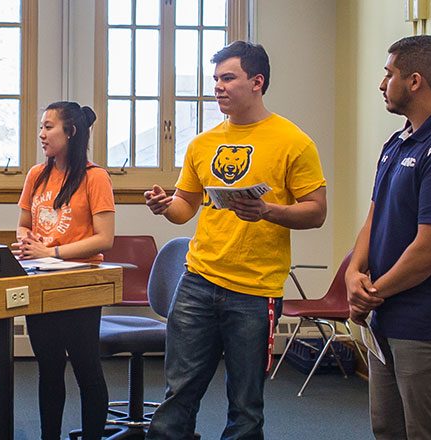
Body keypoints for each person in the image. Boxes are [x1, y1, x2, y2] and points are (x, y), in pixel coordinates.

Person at [143, 40, 328, 439]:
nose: (218, 87)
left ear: (257, 82)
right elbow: (185, 208)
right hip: (198, 281)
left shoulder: (293, 141)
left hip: (255, 292)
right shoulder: (202, 143)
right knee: (178, 395)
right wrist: (165, 206)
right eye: (215, 79)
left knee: (245, 407)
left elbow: (317, 212)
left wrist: (268, 211)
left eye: (228, 78)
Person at [345, 35, 431, 440]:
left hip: (430, 323)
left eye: (388, 74)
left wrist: (372, 293)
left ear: (414, 81)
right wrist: (353, 274)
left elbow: (429, 250)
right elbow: (374, 219)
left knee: (429, 433)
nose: (381, 84)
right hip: (386, 316)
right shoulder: (398, 142)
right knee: (387, 429)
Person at [12, 101, 114, 440]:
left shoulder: (95, 177)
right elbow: (23, 223)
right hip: (41, 280)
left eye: (48, 127)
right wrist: (26, 240)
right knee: (49, 369)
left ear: (70, 132)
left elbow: (104, 238)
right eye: (41, 127)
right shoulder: (36, 175)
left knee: (87, 370)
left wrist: (51, 251)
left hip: (79, 284)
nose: (41, 134)